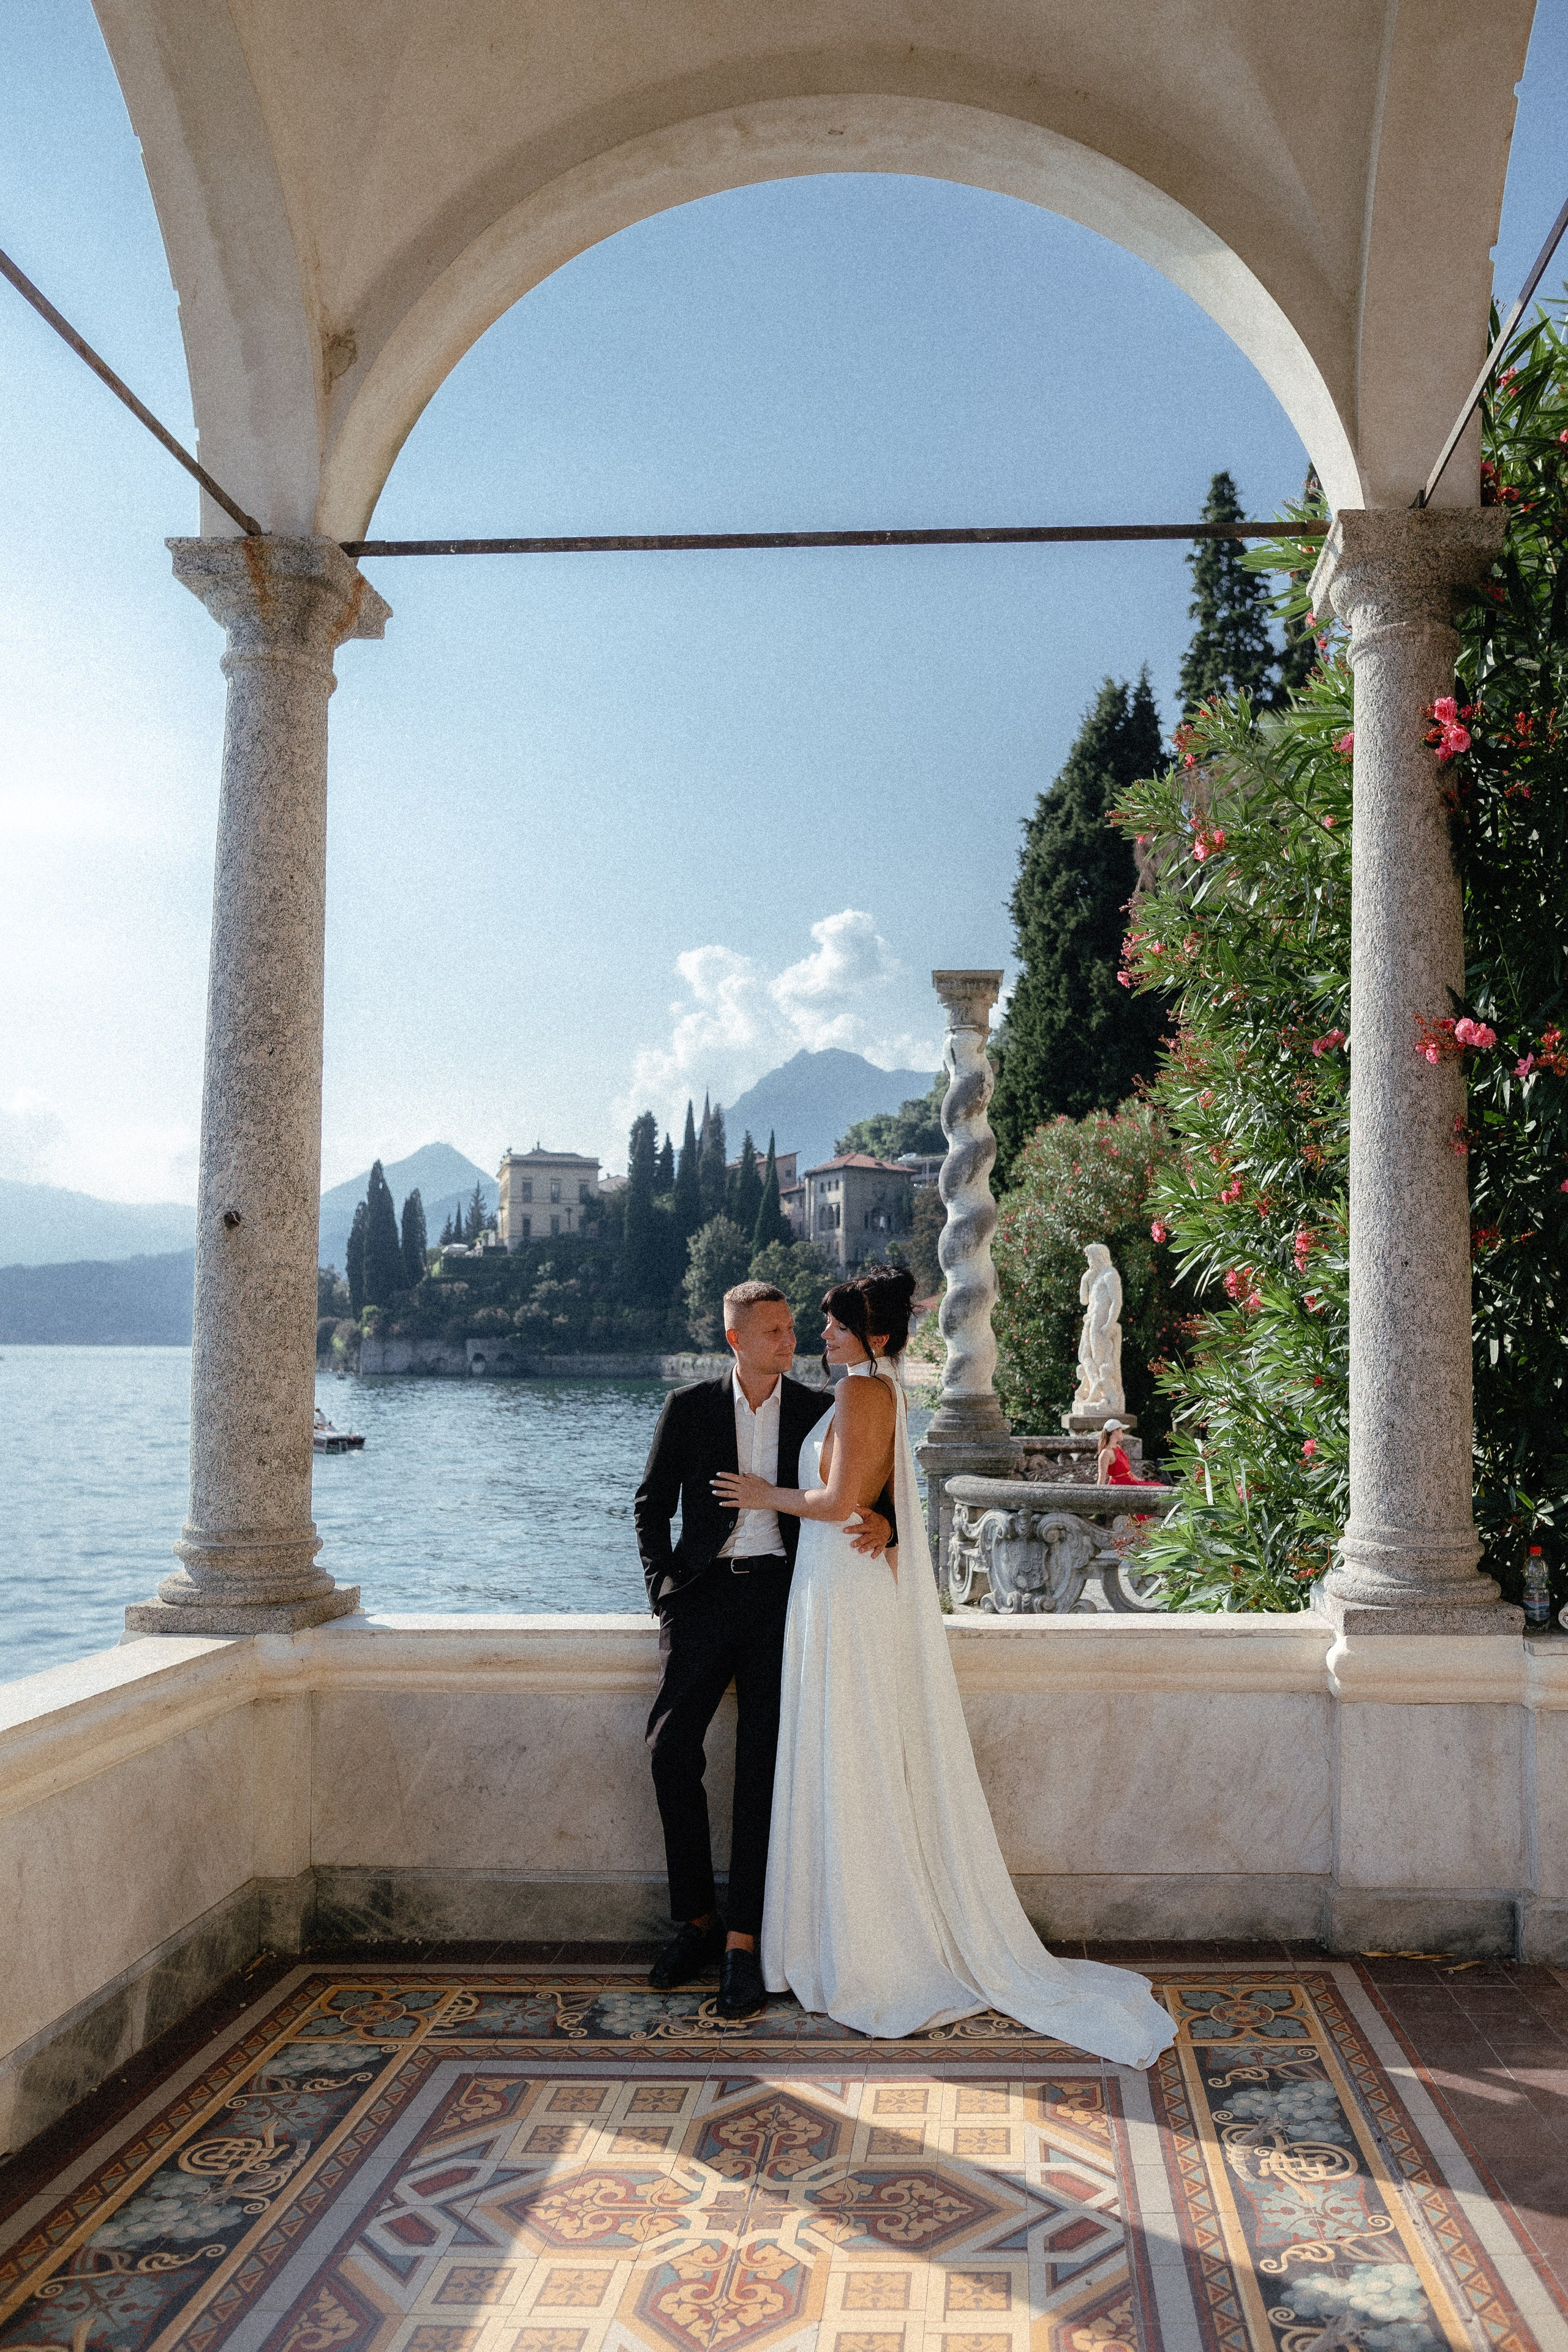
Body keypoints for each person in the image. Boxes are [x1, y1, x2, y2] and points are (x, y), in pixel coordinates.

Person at [713, 1264, 1178, 2067]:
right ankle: (839, 1935)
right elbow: (875, 1497)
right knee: (846, 1748)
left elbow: (837, 1502)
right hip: (839, 1575)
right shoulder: (871, 1391)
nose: (822, 1336)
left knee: (849, 1749)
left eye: (836, 1324)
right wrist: (887, 1525)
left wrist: (761, 1495)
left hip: (842, 1581)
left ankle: (862, 1947)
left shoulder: (863, 1392)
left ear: (873, 1335)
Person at [635, 1280, 891, 2019]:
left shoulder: (817, 1407)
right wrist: (664, 1592)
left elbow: (868, 1484)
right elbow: (650, 1506)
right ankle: (697, 1922)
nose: (790, 1340)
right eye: (773, 1331)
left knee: (764, 1768)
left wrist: (891, 1528)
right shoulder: (688, 1407)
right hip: (701, 1600)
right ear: (735, 1340)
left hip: (783, 1602)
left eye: (790, 1327)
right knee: (669, 1749)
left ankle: (743, 1944)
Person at [1096, 1418, 1139, 1485]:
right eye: (1122, 1431)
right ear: (1115, 1432)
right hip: (1119, 1485)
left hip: (1129, 1482)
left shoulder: (1118, 1448)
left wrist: (1137, 1479)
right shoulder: (1106, 1453)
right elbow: (1101, 1478)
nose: (1123, 1433)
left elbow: (1126, 1470)